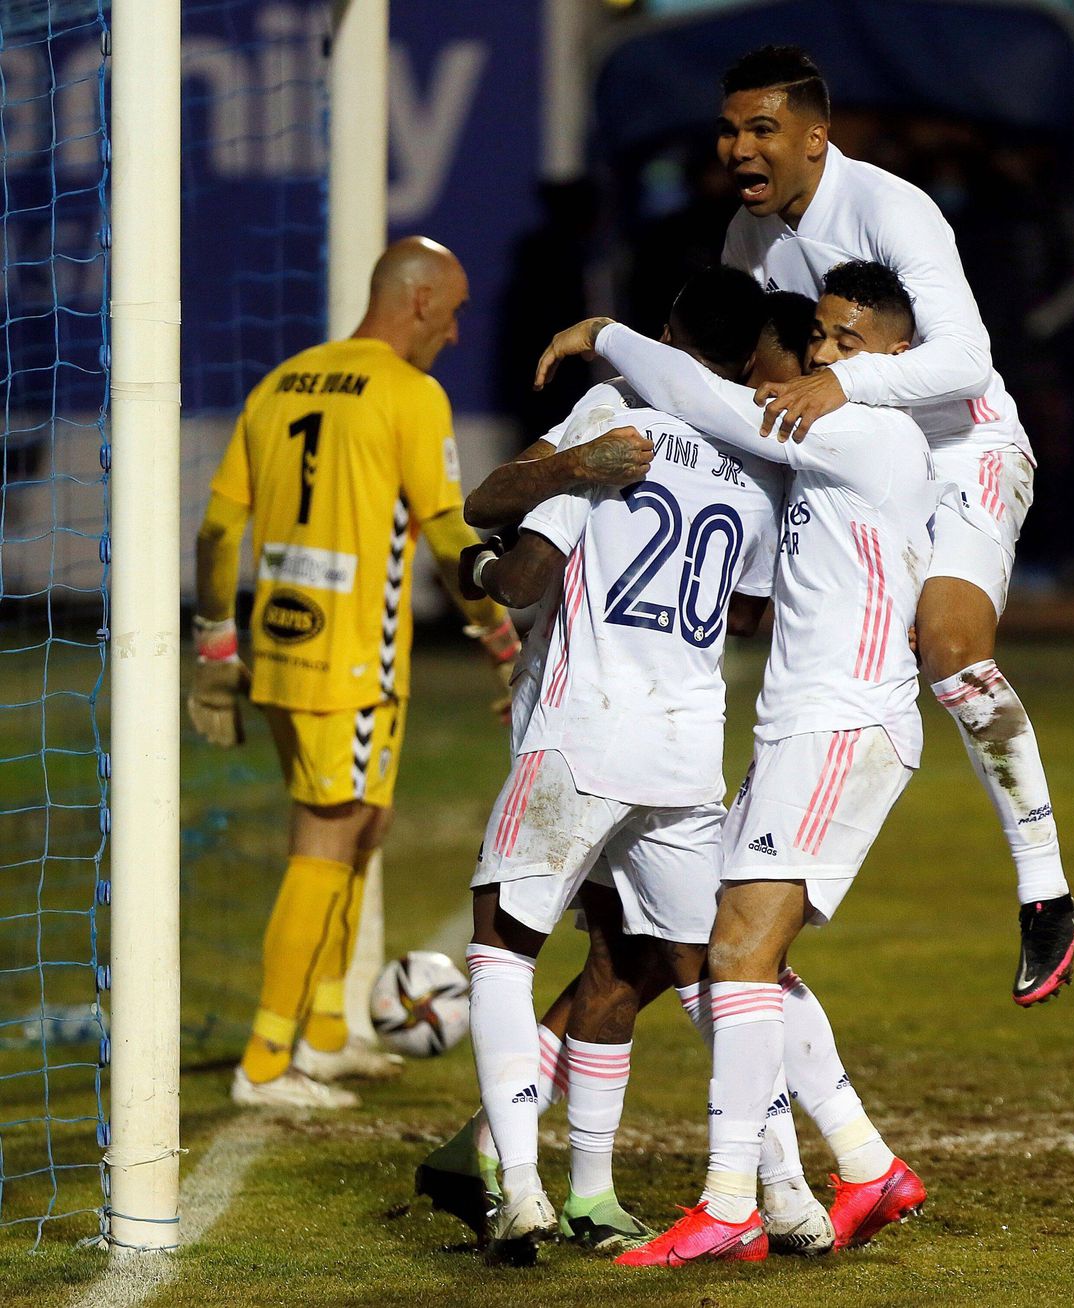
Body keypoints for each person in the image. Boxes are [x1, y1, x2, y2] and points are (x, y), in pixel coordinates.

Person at [540, 262, 935, 1266]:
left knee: (735, 957)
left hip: (840, 723)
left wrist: (605, 335)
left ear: (897, 356)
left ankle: (732, 1206)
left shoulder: (869, 431)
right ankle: (863, 1163)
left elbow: (703, 397)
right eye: (822, 337)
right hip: (805, 727)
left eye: (848, 342)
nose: (826, 356)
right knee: (745, 955)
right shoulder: (831, 442)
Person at [712, 45, 1074, 1005]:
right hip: (857, 467)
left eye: (761, 129)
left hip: (962, 446)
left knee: (950, 646)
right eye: (730, 130)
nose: (740, 148)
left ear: (814, 138)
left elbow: (965, 360)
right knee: (820, 663)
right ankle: (758, 878)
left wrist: (845, 382)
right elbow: (752, 383)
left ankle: (1046, 892)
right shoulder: (748, 242)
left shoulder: (891, 207)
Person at [188, 236, 520, 1111]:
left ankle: (327, 1032)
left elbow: (219, 529)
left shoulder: (282, 382)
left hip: (281, 649)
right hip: (351, 663)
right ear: (419, 301)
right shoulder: (409, 393)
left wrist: (216, 643)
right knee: (329, 837)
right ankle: (267, 1062)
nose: (454, 334)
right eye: (452, 314)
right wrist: (499, 634)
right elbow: (445, 534)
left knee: (362, 825)